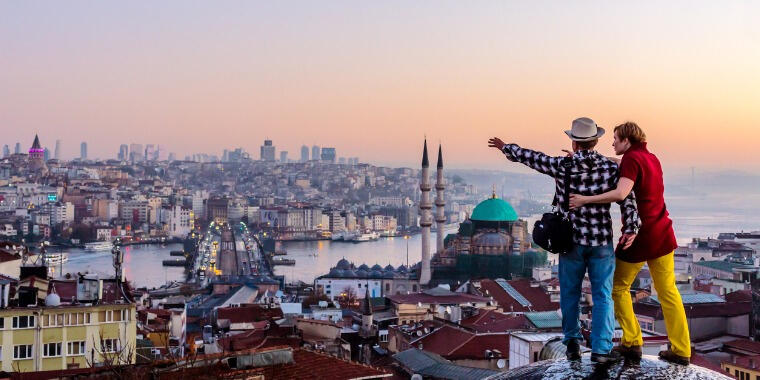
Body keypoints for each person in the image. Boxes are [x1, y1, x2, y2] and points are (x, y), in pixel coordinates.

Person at [489, 117, 639, 363]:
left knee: (570, 293)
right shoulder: (611, 169)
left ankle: (572, 344)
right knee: (602, 295)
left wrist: (506, 147)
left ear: (574, 142)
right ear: (596, 141)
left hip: (571, 242)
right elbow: (628, 200)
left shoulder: (564, 166)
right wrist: (631, 228)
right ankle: (602, 350)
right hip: (600, 242)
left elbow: (533, 158)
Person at [569, 122, 690, 365]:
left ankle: (632, 341)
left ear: (627, 140)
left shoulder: (632, 160)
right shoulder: (650, 158)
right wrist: (589, 158)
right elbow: (622, 166)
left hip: (640, 236)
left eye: (615, 138)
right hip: (663, 233)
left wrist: (584, 200)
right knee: (668, 292)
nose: (612, 143)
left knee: (616, 287)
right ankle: (681, 349)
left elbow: (621, 193)